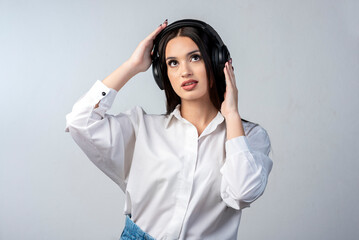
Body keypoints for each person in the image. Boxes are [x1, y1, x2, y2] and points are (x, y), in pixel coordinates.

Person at [65, 18, 273, 240]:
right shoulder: (142, 129)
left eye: (195, 57)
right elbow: (80, 121)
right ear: (162, 74)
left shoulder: (249, 137)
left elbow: (242, 193)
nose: (185, 71)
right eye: (173, 63)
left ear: (216, 62)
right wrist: (132, 66)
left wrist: (232, 115)